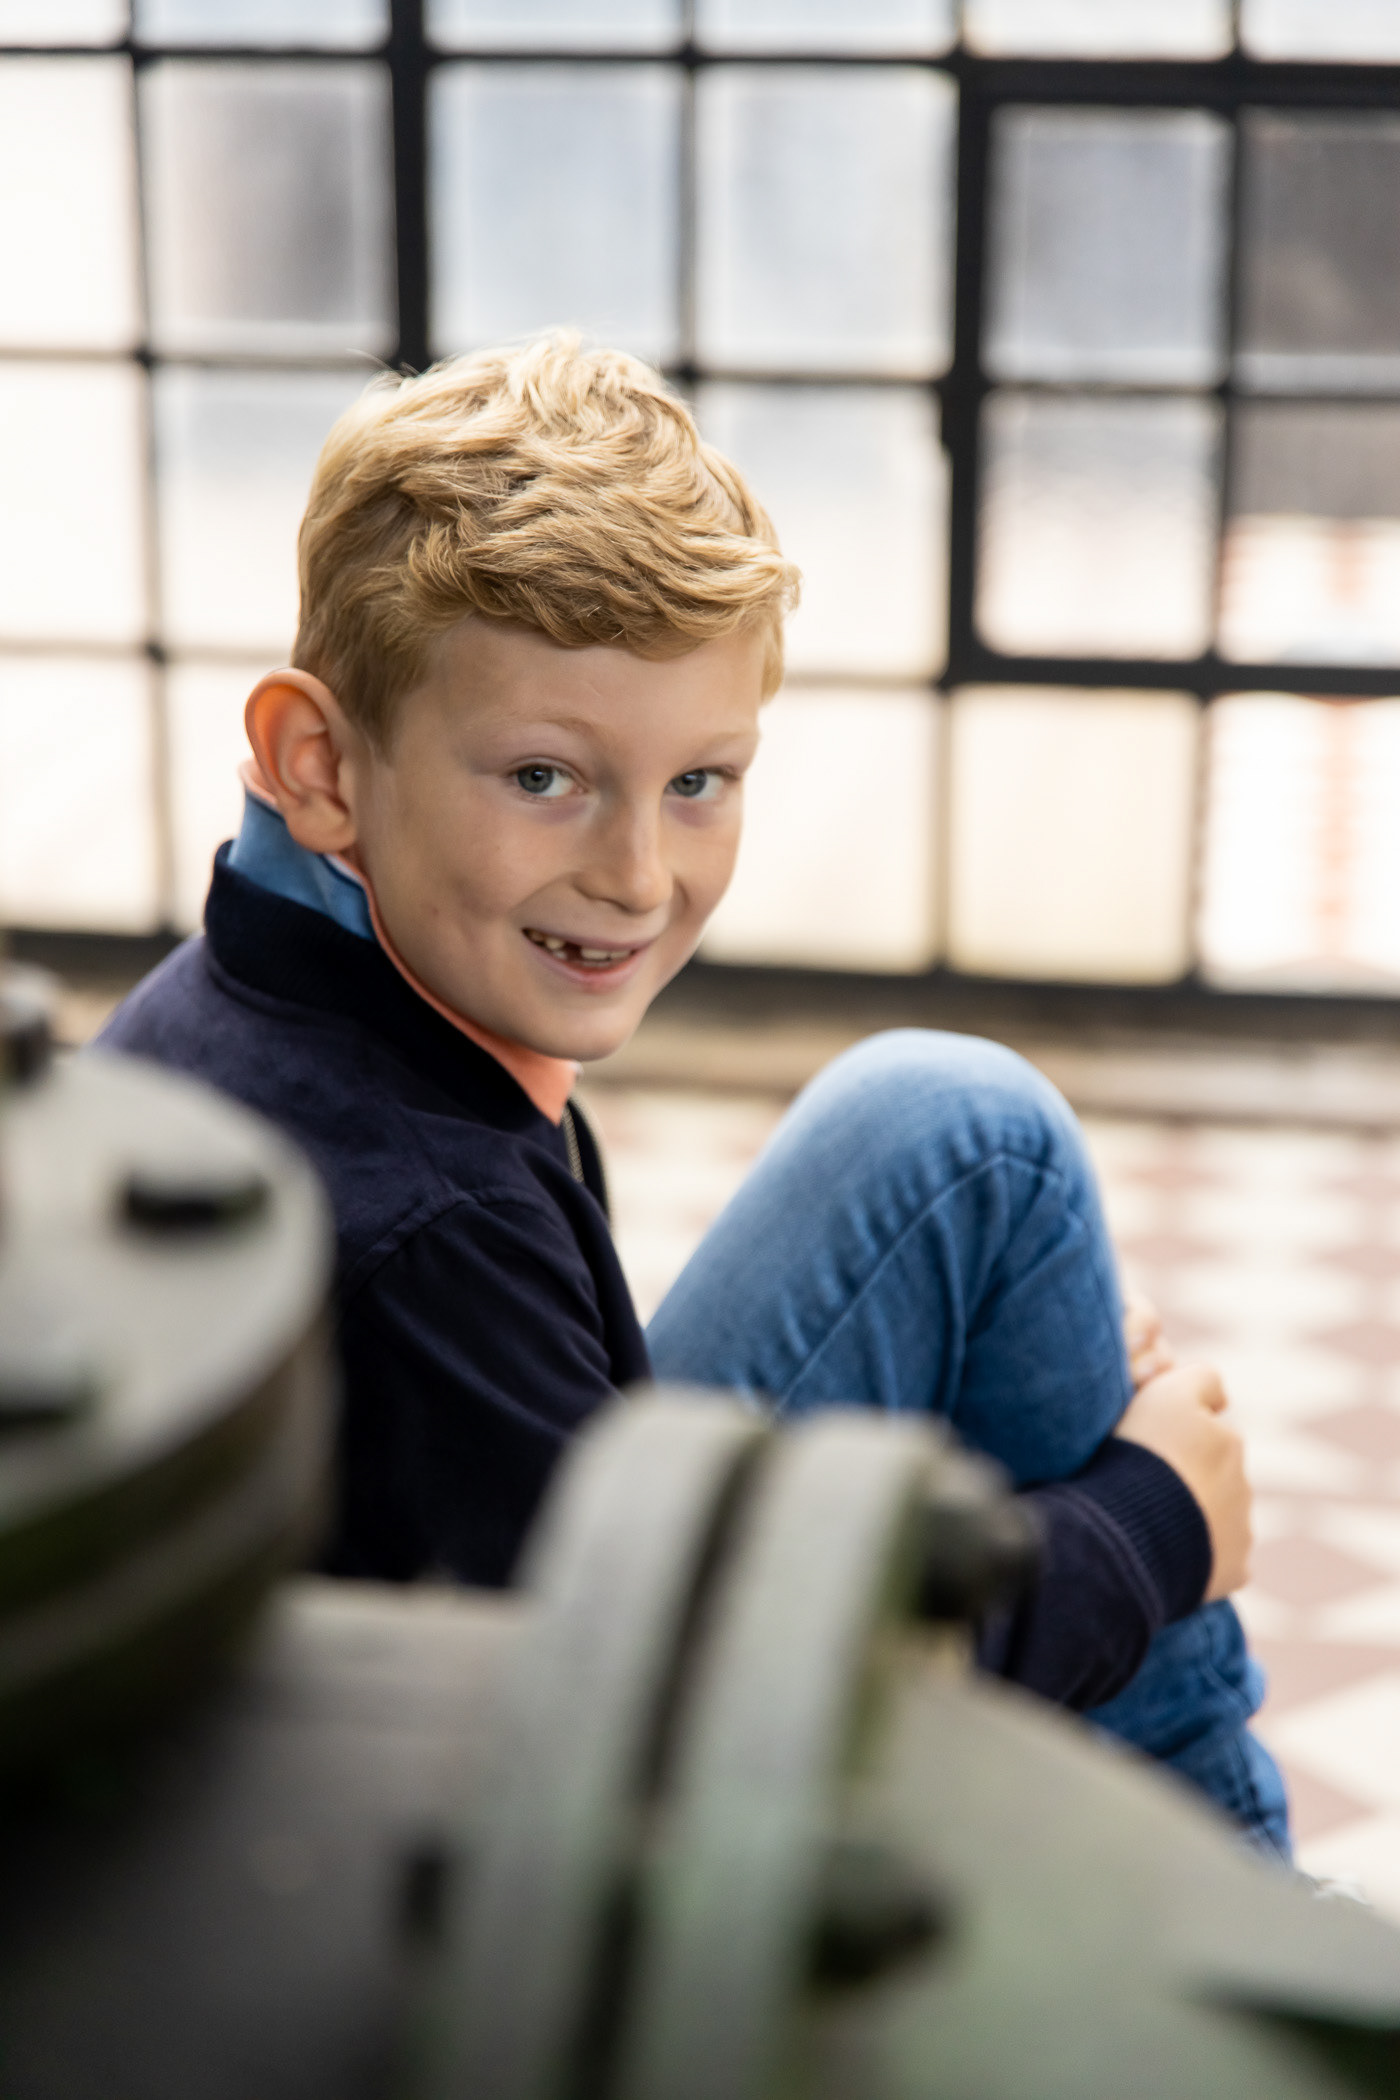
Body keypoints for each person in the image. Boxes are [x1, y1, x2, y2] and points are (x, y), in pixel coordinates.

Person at [97, 335, 1287, 1857]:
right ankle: (1243, 1910)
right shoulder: (433, 1225)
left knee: (956, 1134)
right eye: (544, 778)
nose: (638, 876)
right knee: (999, 1197)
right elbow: (677, 1757)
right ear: (318, 764)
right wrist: (1138, 1531)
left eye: (698, 783)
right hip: (481, 1861)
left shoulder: (254, 1001)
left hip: (468, 1663)